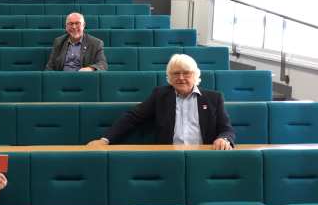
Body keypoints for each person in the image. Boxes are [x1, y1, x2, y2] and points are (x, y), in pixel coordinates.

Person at [88, 54, 235, 150]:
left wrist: (224, 139)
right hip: (168, 156)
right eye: (176, 73)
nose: (181, 78)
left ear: (195, 75)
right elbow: (132, 117)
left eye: (186, 73)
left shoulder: (214, 98)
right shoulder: (160, 96)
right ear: (170, 77)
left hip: (204, 155)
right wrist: (105, 140)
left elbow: (227, 129)